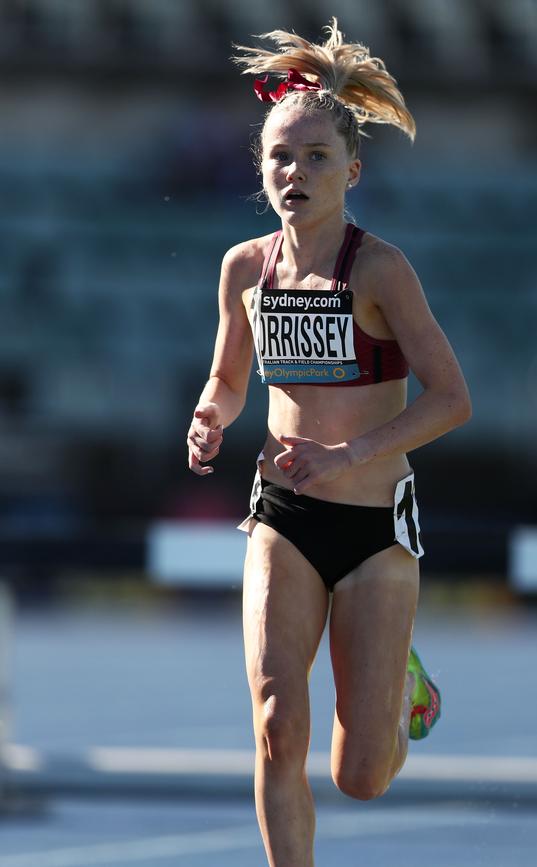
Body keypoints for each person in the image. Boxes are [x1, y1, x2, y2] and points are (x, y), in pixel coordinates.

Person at [186, 19, 471, 867]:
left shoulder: (380, 270)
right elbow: (230, 378)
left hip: (375, 527)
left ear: (352, 171)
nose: (295, 173)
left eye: (315, 158)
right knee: (277, 722)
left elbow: (453, 399)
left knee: (362, 775)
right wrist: (211, 414)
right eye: (280, 156)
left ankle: (401, 691)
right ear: (260, 170)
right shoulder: (245, 268)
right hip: (282, 514)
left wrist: (350, 455)